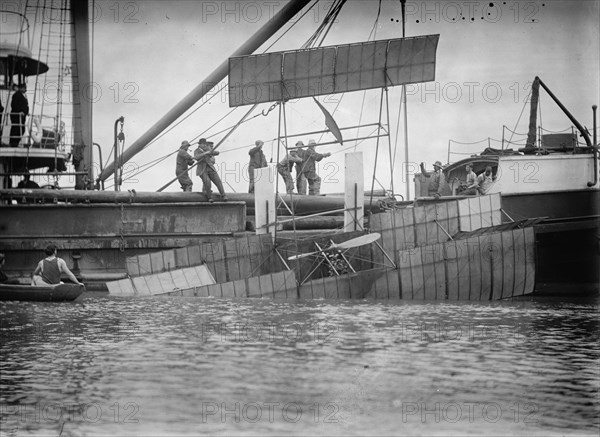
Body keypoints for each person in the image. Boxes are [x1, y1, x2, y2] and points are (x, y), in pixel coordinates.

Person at [10, 83, 29, 147]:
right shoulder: (16, 95)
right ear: (21, 88)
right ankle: (13, 143)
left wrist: (26, 112)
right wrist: (19, 111)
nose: (25, 89)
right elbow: (14, 105)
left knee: (22, 129)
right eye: (24, 87)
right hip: (17, 116)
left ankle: (15, 143)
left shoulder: (23, 95)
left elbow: (25, 105)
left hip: (22, 117)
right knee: (16, 129)